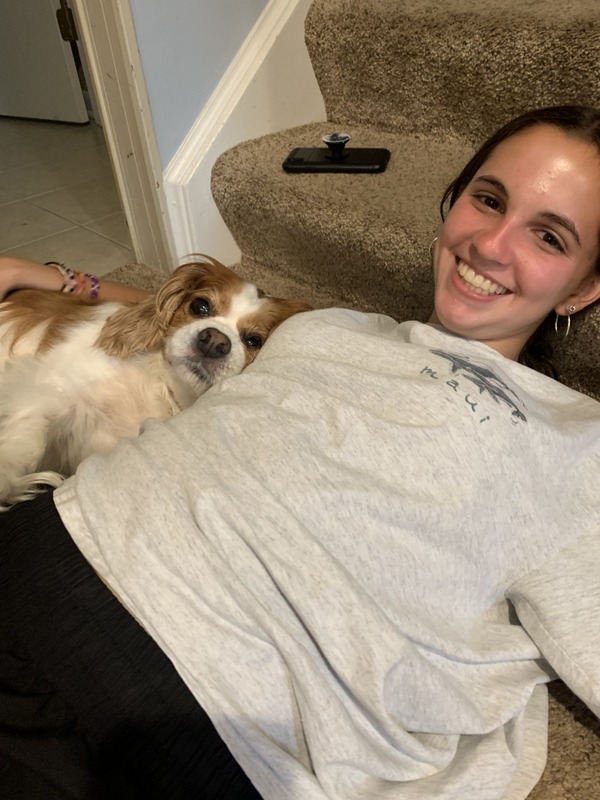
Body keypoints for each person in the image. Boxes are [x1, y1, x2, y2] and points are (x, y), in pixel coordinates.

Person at [1, 105, 600, 800]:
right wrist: (60, 279)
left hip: (199, 701)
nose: (491, 245)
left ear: (584, 288)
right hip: (48, 541)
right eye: (489, 200)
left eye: (549, 237)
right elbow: (199, 317)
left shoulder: (572, 439)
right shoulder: (333, 325)